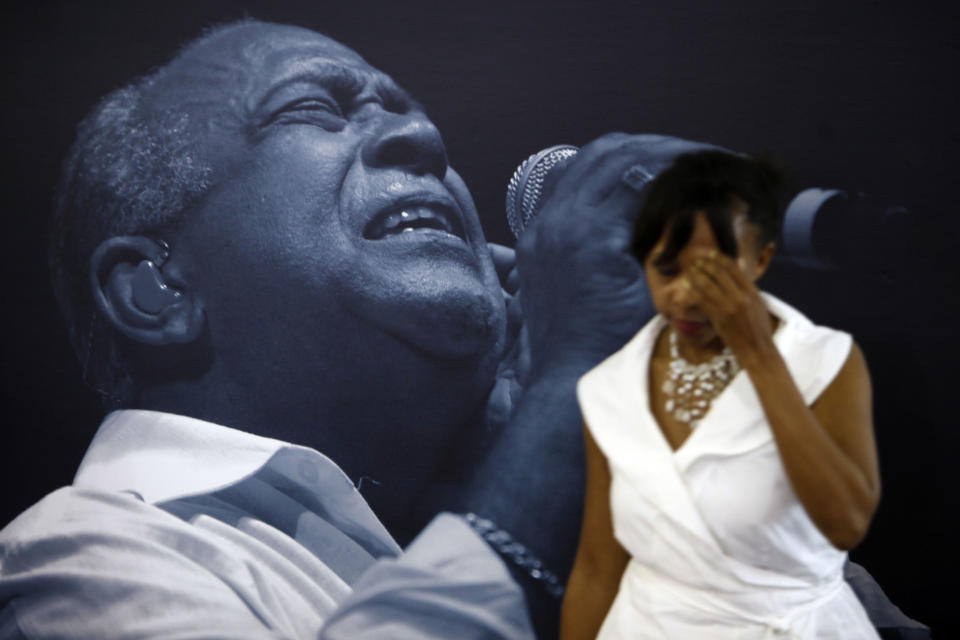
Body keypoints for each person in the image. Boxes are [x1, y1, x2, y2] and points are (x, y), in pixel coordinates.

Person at [0, 18, 920, 639]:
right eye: (314, 110)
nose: (425, 143)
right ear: (155, 289)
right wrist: (569, 396)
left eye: (408, 112)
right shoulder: (74, 561)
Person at [561, 150, 883, 638]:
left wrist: (758, 354)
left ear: (761, 259)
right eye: (667, 270)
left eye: (713, 274)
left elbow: (846, 523)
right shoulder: (608, 387)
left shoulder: (825, 360)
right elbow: (596, 569)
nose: (687, 296)